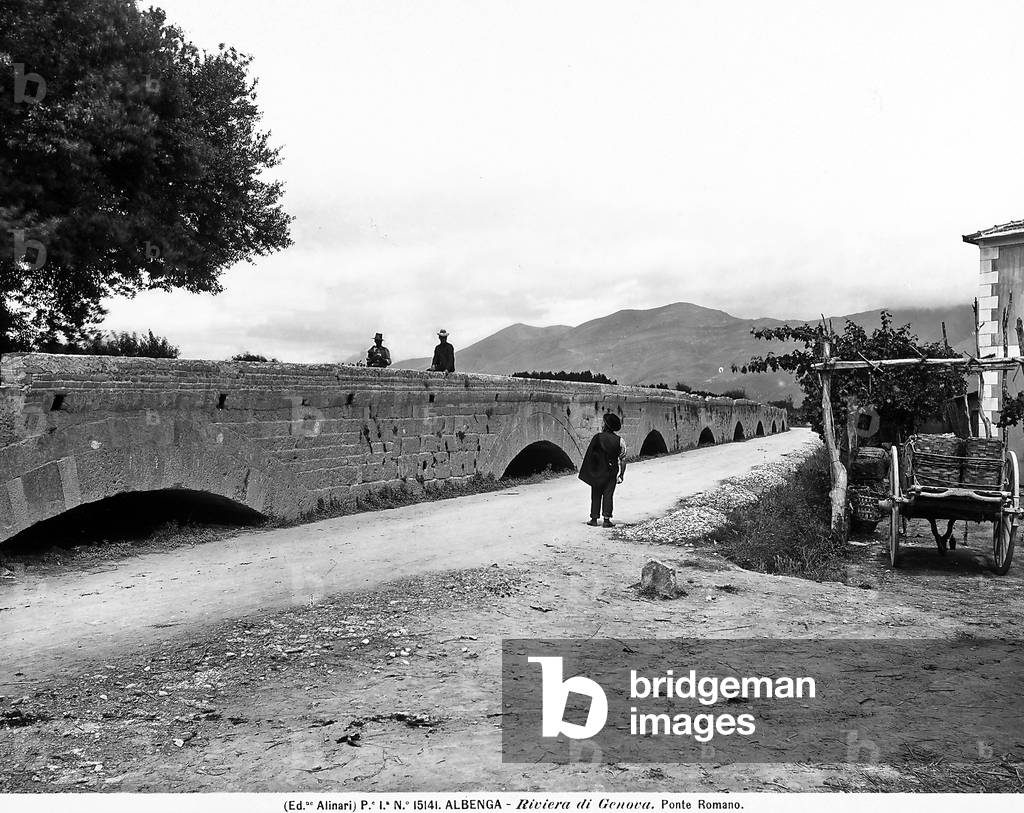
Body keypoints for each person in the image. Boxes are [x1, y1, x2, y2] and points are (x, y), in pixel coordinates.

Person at [578, 413, 627, 527]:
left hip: (598, 471)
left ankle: (594, 519)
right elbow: (623, 459)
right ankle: (606, 520)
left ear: (605, 425)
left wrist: (590, 470)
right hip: (611, 471)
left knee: (596, 493)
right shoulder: (620, 441)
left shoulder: (597, 437)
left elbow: (590, 455)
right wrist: (621, 474)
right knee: (608, 494)